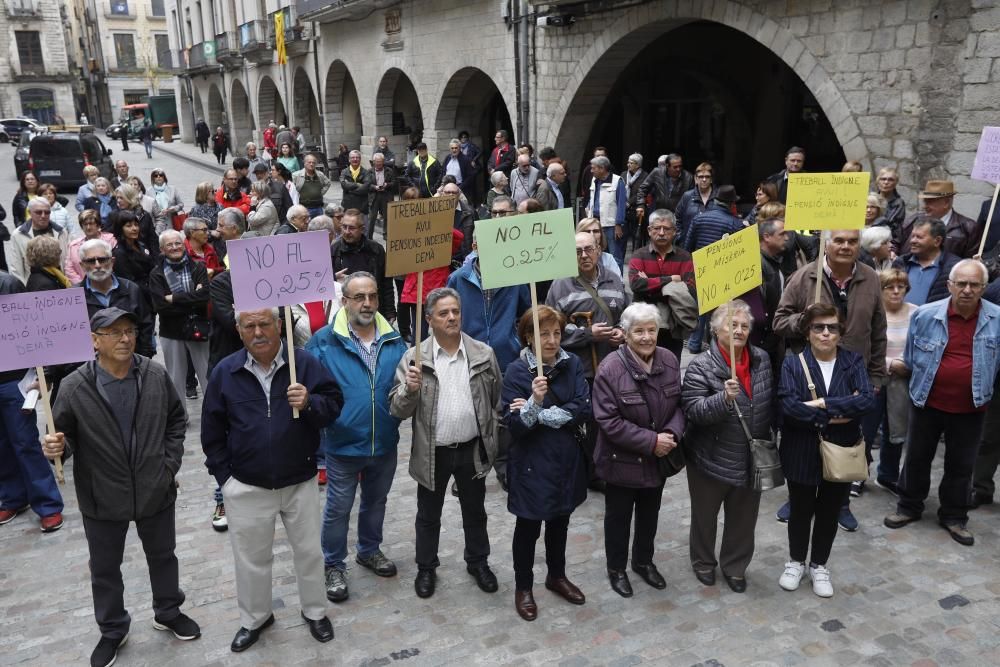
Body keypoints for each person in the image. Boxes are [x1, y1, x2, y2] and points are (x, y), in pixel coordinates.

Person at [44, 307, 200, 667]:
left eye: (129, 330)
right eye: (113, 332)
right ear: (94, 341)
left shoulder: (154, 374)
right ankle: (113, 630)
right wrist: (55, 449)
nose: (125, 338)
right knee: (105, 568)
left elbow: (177, 421)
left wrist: (168, 464)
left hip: (154, 487)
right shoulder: (74, 386)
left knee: (163, 556)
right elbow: (63, 440)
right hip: (102, 495)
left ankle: (168, 610)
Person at [201, 307, 342, 652]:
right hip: (247, 485)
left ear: (280, 326)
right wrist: (226, 479)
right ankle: (256, 618)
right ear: (239, 331)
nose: (259, 332)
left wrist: (309, 402)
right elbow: (212, 432)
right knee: (251, 559)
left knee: (309, 552)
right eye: (250, 326)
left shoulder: (304, 364)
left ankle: (315, 611)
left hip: (299, 481)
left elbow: (334, 405)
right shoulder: (226, 372)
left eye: (265, 323)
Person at [389, 288, 502, 598]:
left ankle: (478, 562)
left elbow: (495, 400)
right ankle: (426, 568)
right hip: (432, 452)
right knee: (428, 515)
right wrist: (408, 391)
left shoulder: (482, 353)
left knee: (475, 511)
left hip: (471, 449)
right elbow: (397, 410)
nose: (452, 317)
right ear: (429, 320)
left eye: (455, 311)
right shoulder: (414, 358)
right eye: (443, 313)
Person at [772, 228, 887, 528]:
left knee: (846, 440)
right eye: (839, 240)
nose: (846, 246)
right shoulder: (804, 276)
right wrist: (804, 320)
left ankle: (840, 502)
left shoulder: (870, 277)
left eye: (852, 241)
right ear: (827, 243)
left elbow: (879, 330)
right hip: (810, 374)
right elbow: (779, 322)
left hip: (852, 374)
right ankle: (798, 498)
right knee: (805, 442)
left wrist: (876, 376)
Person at [305, 272, 407, 604]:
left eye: (372, 296)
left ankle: (369, 549)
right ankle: (333, 564)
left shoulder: (395, 340)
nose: (366, 303)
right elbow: (308, 388)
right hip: (342, 443)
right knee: (338, 507)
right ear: (344, 301)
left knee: (376, 502)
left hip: (384, 441)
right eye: (359, 297)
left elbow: (402, 389)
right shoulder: (323, 341)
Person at [884, 260, 1000, 546]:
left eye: (974, 285)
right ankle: (909, 506)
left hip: (972, 406)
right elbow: (911, 356)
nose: (967, 290)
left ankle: (954, 515)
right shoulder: (925, 315)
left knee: (961, 464)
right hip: (928, 401)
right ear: (950, 285)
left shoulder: (997, 318)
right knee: (916, 458)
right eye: (961, 283)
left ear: (984, 288)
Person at [777, 303, 874, 598]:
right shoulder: (793, 363)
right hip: (801, 449)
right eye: (818, 327)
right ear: (808, 332)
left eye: (832, 327)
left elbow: (867, 401)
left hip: (842, 450)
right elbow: (788, 406)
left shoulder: (853, 362)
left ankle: (819, 564)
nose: (825, 333)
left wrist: (822, 405)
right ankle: (795, 561)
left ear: (840, 332)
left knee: (830, 511)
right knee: (800, 509)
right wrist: (841, 409)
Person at [502, 306, 590, 621]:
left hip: (565, 457)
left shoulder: (572, 363)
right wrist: (535, 401)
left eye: (556, 333)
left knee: (560, 521)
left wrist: (536, 412)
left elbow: (581, 408)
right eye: (544, 334)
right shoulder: (516, 371)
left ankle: (557, 575)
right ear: (528, 337)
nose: (552, 340)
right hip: (531, 461)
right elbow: (515, 427)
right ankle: (523, 586)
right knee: (528, 526)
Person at [681, 300, 775, 593]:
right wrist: (723, 399)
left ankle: (735, 566)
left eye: (744, 326)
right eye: (731, 325)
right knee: (705, 517)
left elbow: (767, 404)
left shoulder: (761, 358)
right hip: (711, 457)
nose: (739, 331)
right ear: (715, 329)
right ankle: (703, 562)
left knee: (744, 519)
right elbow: (693, 411)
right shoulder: (701, 365)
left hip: (750, 457)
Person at [592, 303, 683, 597]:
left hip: (657, 462)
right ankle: (616, 568)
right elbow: (608, 421)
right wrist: (651, 442)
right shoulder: (610, 368)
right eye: (639, 331)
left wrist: (670, 434)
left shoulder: (669, 360)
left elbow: (679, 406)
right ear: (626, 334)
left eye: (652, 330)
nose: (647, 337)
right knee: (618, 519)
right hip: (621, 462)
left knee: (649, 515)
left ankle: (643, 562)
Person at [0, 266, 63, 534]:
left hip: (13, 378)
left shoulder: (7, 283)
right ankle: (14, 496)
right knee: (1, 445)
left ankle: (48, 504)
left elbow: (30, 329)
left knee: (25, 442)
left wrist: (42, 373)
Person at [627, 209, 697, 360]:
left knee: (671, 371)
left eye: (666, 229)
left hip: (673, 329)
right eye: (657, 228)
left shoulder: (685, 257)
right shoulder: (639, 255)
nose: (661, 233)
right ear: (649, 230)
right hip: (642, 325)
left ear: (675, 232)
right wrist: (671, 281)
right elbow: (636, 285)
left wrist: (650, 287)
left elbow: (690, 291)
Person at [149, 230, 210, 400]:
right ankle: (180, 418)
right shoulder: (156, 274)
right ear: (162, 249)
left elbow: (204, 297)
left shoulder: (198, 267)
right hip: (171, 332)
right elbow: (161, 307)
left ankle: (214, 414)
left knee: (207, 376)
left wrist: (174, 298)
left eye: (178, 243)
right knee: (176, 378)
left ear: (184, 245)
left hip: (199, 328)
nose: (175, 247)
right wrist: (192, 299)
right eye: (169, 244)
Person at [875, 268, 917, 495]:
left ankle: (888, 475)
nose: (896, 291)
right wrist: (891, 364)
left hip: (902, 382)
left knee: (896, 430)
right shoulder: (874, 313)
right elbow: (867, 347)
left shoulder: (917, 313)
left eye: (901, 286)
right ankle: (856, 475)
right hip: (875, 378)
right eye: (890, 286)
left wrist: (907, 364)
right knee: (866, 429)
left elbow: (921, 344)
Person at [78, 238, 154, 358]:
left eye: (102, 260)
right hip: (93, 370)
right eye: (91, 261)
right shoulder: (74, 297)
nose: (97, 265)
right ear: (82, 265)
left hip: (131, 363)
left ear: (112, 262)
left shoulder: (131, 289)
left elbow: (145, 325)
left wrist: (142, 358)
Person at [330, 210, 396, 320]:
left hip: (372, 311)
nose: (346, 231)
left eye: (351, 228)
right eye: (344, 227)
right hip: (346, 313)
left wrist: (390, 312)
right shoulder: (334, 250)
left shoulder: (376, 250)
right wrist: (333, 278)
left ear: (362, 229)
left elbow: (386, 283)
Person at [899, 180, 981, 259]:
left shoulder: (968, 227)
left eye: (930, 201)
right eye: (925, 201)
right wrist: (892, 251)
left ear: (946, 203)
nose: (925, 206)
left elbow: (969, 262)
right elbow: (896, 242)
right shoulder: (914, 220)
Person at [891, 217, 960, 306]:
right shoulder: (901, 263)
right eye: (912, 236)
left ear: (937, 241)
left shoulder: (954, 268)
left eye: (919, 237)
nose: (912, 241)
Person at [9, 198, 69, 285]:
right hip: (33, 287)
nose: (43, 215)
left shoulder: (62, 232)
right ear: (30, 212)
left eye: (47, 212)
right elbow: (16, 268)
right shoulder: (18, 235)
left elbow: (66, 260)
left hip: (60, 283)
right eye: (38, 212)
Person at [586, 155, 627, 271]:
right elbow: (593, 197)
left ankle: (618, 283)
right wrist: (589, 208)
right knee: (597, 254)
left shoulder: (617, 181)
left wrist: (618, 224)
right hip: (595, 222)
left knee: (615, 256)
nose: (591, 170)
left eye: (593, 168)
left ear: (602, 168)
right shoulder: (594, 180)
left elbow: (621, 204)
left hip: (611, 224)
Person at [111, 211, 156, 310]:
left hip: (151, 293)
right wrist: (153, 291)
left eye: (136, 225)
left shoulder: (141, 244)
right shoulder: (119, 253)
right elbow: (128, 282)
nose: (134, 228)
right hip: (137, 299)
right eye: (129, 226)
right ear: (120, 228)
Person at [66, 210, 117, 283]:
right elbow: (69, 269)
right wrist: (82, 284)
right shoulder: (73, 245)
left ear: (98, 225)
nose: (88, 227)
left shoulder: (111, 241)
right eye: (85, 224)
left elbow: (115, 265)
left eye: (91, 223)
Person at [675, 162, 717, 245]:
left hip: (712, 245)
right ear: (695, 179)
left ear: (711, 179)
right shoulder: (687, 196)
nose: (704, 179)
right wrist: (680, 237)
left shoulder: (718, 197)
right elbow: (677, 218)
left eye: (707, 177)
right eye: (701, 177)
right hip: (688, 244)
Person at [114, 184, 159, 256]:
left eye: (121, 198)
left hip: (144, 254)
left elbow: (152, 239)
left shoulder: (144, 215)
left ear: (129, 197)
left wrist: (156, 260)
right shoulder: (114, 216)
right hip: (125, 257)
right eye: (117, 198)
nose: (118, 201)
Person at [339, 150, 372, 231]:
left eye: (357, 157)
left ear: (360, 159)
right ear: (349, 159)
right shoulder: (344, 172)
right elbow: (344, 185)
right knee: (349, 231)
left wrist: (350, 190)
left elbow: (365, 188)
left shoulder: (366, 172)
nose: (355, 159)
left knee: (364, 232)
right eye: (353, 157)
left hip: (362, 209)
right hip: (348, 208)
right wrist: (357, 184)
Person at [293, 153, 333, 218]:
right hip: (303, 208)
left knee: (319, 227)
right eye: (309, 162)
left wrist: (321, 192)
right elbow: (291, 189)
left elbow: (328, 183)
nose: (311, 164)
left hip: (318, 208)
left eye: (313, 163)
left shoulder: (320, 175)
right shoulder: (296, 175)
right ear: (305, 163)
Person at [149, 169, 184, 235]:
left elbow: (181, 204)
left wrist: (172, 209)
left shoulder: (173, 189)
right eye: (156, 175)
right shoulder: (149, 191)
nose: (158, 177)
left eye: (161, 175)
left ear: (164, 177)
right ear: (153, 179)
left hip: (172, 221)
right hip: (157, 224)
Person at [875, 167, 906, 242]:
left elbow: (892, 225)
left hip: (889, 240)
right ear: (878, 181)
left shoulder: (899, 203)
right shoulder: (871, 199)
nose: (886, 182)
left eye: (890, 180)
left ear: (895, 183)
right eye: (883, 179)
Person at [369, 153, 396, 237]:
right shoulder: (369, 171)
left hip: (385, 195)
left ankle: (386, 234)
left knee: (386, 217)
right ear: (373, 162)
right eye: (377, 162)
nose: (379, 164)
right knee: (372, 217)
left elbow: (394, 182)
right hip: (374, 196)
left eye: (380, 162)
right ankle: (369, 236)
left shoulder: (389, 170)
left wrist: (387, 185)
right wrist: (375, 187)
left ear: (383, 161)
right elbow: (366, 184)